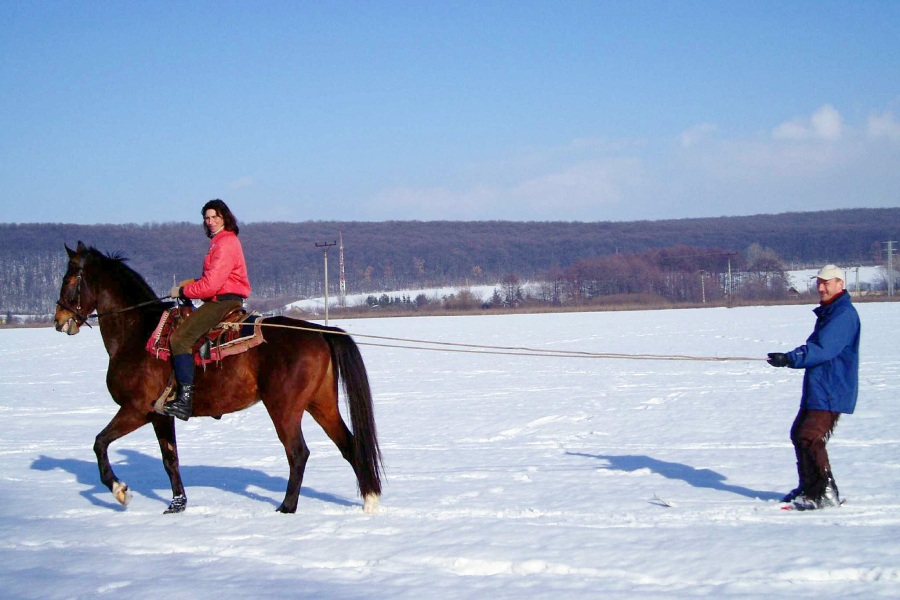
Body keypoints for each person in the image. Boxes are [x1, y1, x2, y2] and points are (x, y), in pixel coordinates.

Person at [766, 264, 860, 510]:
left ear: (840, 284)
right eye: (819, 282)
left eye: (827, 282)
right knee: (800, 433)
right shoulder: (831, 312)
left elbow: (823, 349)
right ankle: (809, 487)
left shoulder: (843, 315)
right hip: (820, 386)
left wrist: (789, 358)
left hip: (832, 387)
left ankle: (825, 492)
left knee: (809, 436)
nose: (821, 287)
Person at [162, 199, 252, 421]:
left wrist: (183, 292)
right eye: (207, 218)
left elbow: (211, 285)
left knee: (180, 338)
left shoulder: (225, 242)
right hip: (221, 297)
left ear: (225, 217)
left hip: (222, 301)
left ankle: (185, 399)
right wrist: (190, 284)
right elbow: (211, 279)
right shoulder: (219, 241)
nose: (210, 222)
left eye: (215, 217)